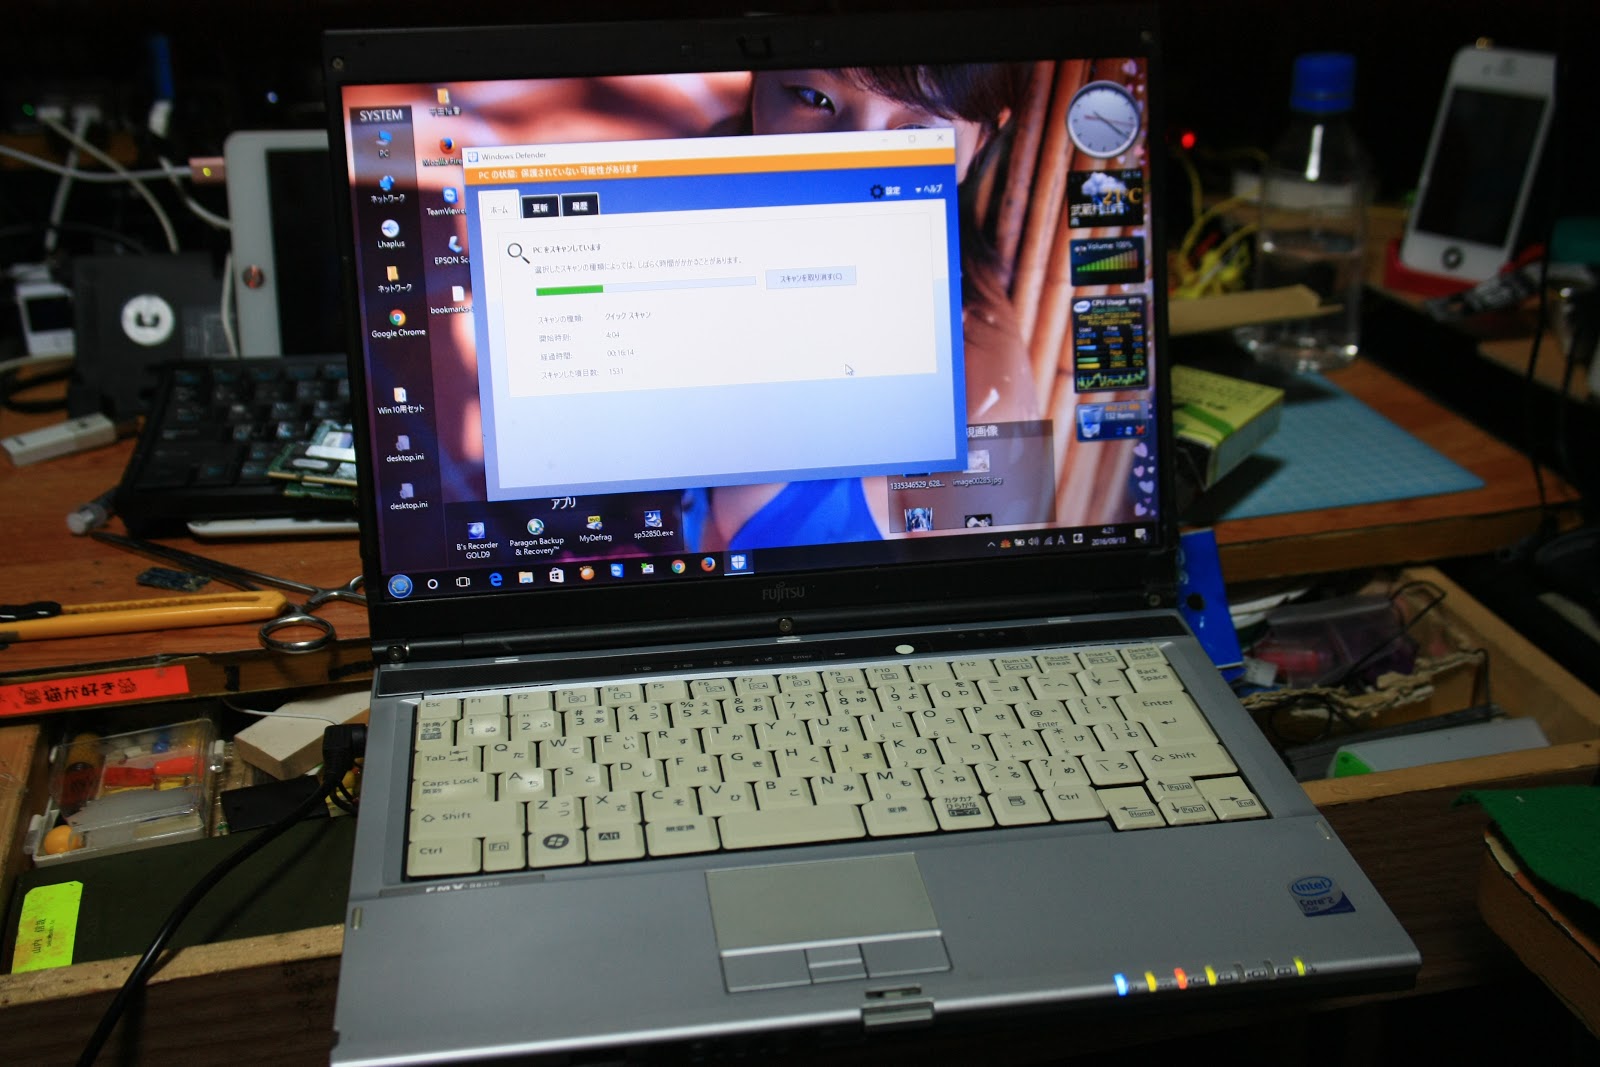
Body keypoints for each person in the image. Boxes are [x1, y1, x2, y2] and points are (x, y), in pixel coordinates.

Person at [692, 64, 1040, 551]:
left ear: (980, 141)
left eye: (916, 130)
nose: (850, 161)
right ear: (757, 82)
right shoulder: (690, 196)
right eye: (812, 98)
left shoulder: (982, 406)